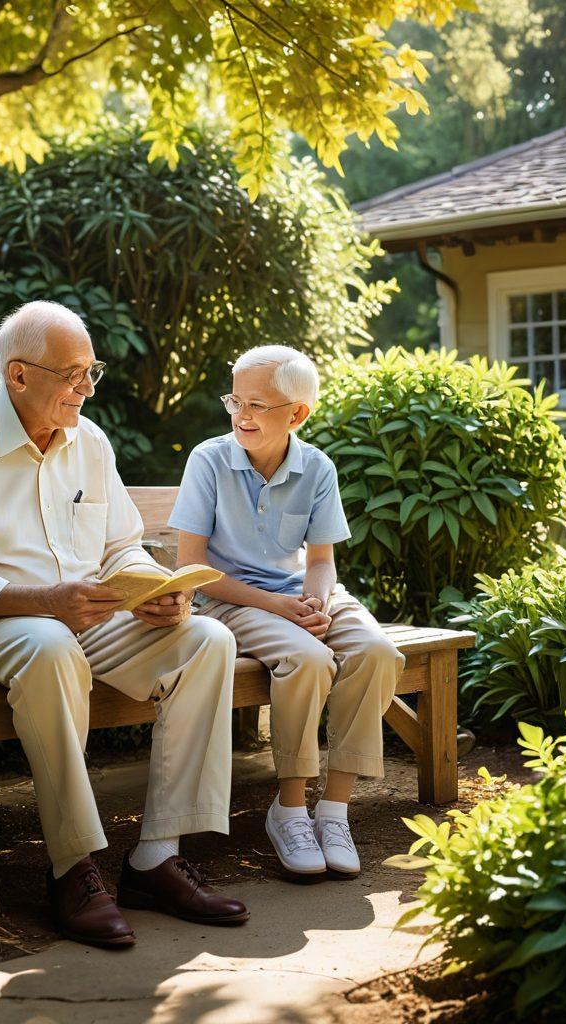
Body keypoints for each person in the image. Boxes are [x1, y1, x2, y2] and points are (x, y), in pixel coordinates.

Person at [0, 300, 248, 947]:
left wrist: (153, 587)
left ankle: (155, 857)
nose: (85, 389)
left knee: (206, 639)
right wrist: (47, 600)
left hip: (76, 623)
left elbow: (120, 543)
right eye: (72, 375)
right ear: (18, 375)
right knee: (48, 644)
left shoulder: (90, 442)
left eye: (91, 373)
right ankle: (72, 868)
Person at [168, 344, 404, 882]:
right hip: (229, 598)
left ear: (297, 414)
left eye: (256, 405)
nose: (240, 415)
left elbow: (321, 561)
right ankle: (291, 809)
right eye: (234, 401)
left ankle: (334, 810)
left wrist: (316, 602)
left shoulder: (317, 467)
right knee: (308, 660)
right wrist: (279, 606)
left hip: (297, 593)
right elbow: (192, 566)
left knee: (376, 651)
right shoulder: (208, 459)